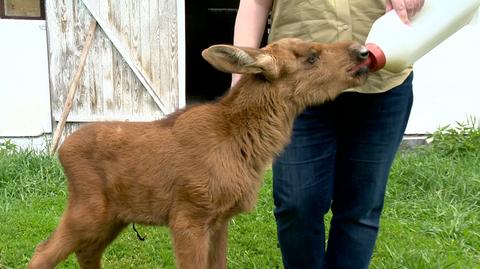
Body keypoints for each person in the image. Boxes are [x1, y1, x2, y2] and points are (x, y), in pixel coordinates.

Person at [232, 0, 424, 268]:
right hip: (299, 87)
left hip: (381, 80)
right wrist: (242, 75)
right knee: (297, 205)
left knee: (360, 208)